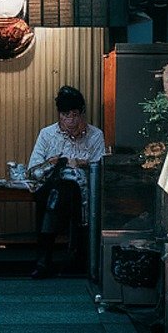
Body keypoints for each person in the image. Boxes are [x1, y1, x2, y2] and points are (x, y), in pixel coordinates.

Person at [26, 85, 105, 278]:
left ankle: (44, 260)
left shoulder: (95, 135)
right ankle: (59, 258)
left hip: (85, 195)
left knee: (66, 191)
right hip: (53, 191)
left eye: (75, 115)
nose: (70, 120)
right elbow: (32, 171)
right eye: (65, 115)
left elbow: (102, 169)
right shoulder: (47, 134)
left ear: (82, 114)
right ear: (59, 115)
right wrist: (51, 163)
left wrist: (82, 163)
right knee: (57, 191)